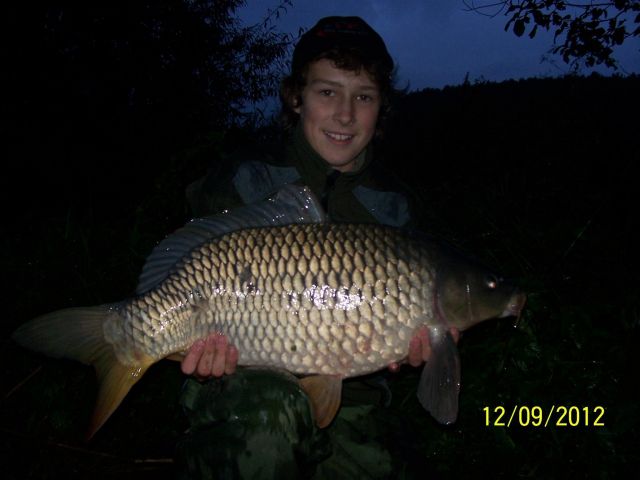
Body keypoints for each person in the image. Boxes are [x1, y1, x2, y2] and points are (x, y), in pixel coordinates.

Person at [174, 16, 458, 479]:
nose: (345, 114)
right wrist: (204, 356)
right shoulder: (243, 179)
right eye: (328, 92)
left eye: (363, 97)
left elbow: (400, 357)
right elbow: (188, 273)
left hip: (355, 404)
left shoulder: (397, 207)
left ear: (380, 107)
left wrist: (407, 353)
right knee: (265, 428)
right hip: (241, 388)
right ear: (295, 97)